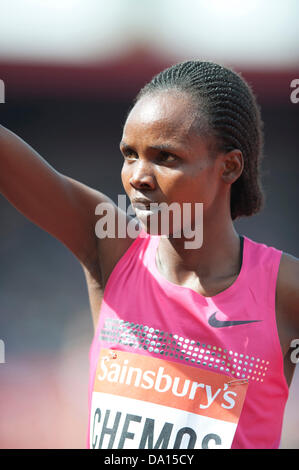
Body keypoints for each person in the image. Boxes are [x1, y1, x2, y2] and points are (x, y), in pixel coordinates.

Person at [0, 60, 298, 449]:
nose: (138, 176)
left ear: (229, 166)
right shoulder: (111, 250)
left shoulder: (284, 291)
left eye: (165, 157)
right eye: (130, 154)